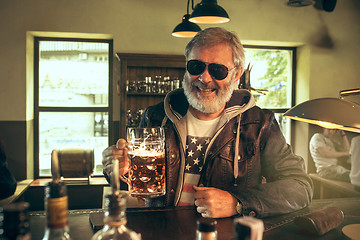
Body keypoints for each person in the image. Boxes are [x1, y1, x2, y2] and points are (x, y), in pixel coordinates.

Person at [102, 27, 313, 219]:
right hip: (163, 229)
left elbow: (300, 187)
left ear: (236, 74)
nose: (204, 78)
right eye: (196, 66)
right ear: (186, 68)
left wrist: (237, 202)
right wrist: (119, 171)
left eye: (218, 70)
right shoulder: (156, 116)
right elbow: (137, 184)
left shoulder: (259, 123)